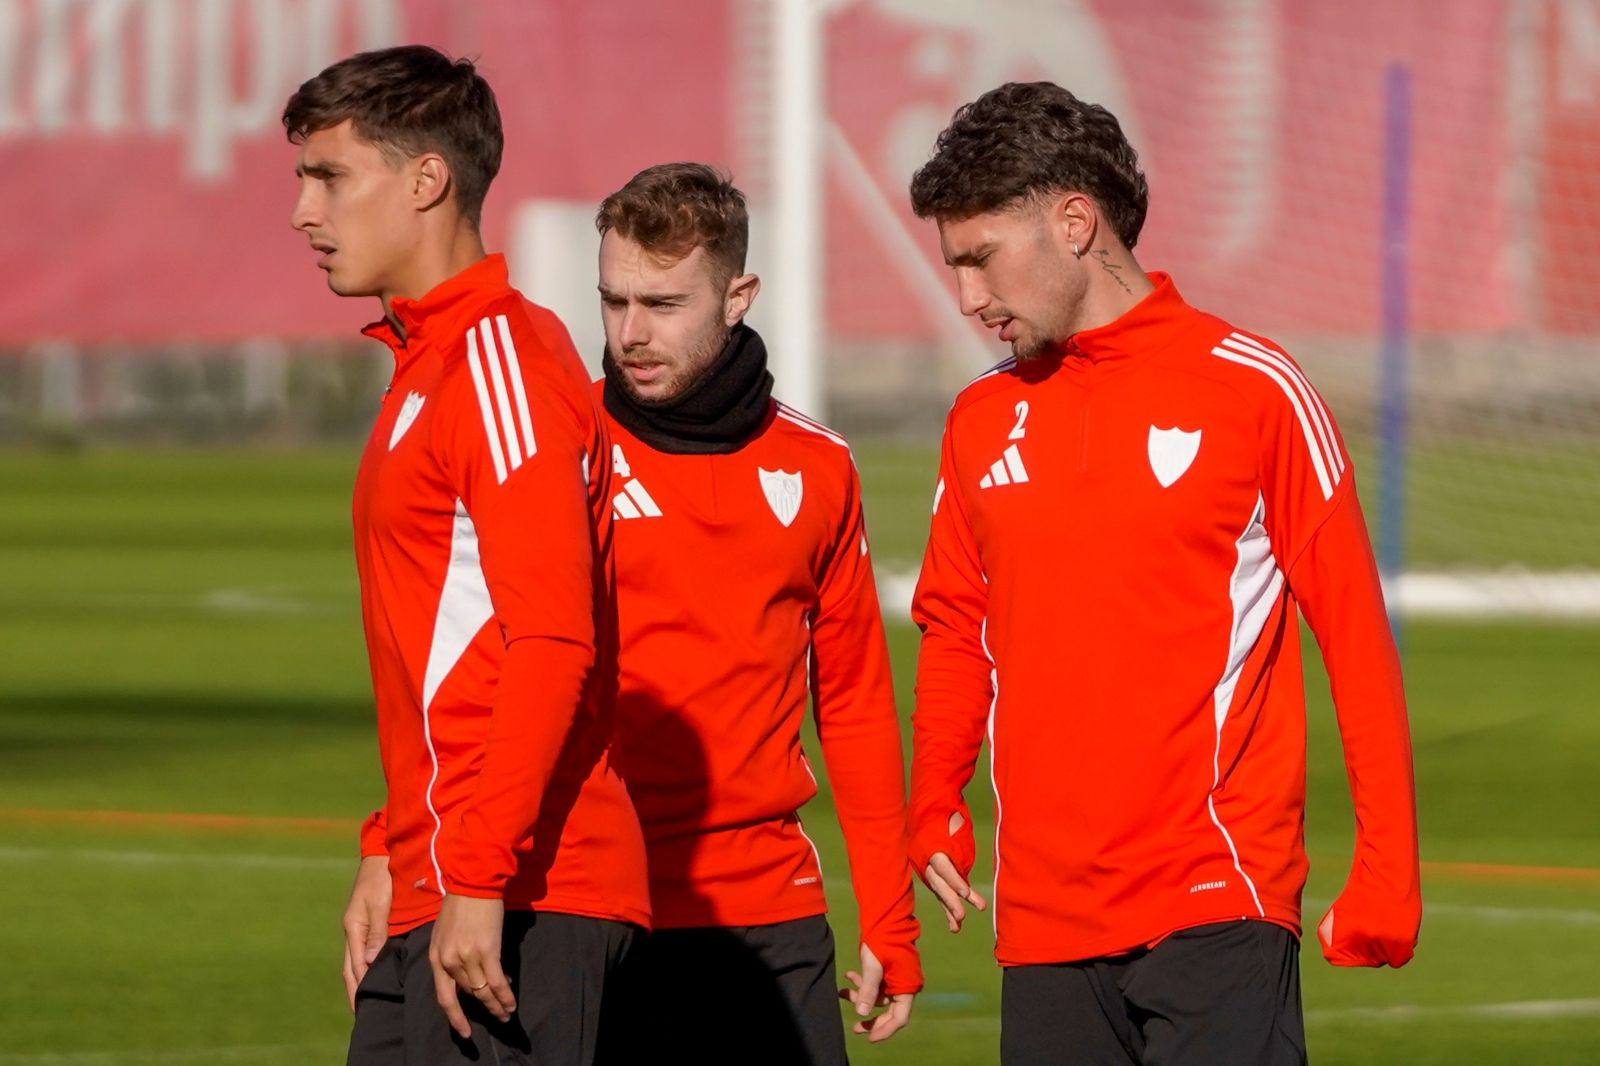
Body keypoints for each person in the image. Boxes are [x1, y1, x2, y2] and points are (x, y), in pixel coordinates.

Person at [905, 82, 1421, 1065]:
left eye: (979, 258)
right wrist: (933, 795)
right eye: (953, 264)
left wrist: (1388, 870)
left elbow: (1354, 637)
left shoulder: (1253, 389)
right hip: (1041, 920)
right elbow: (954, 621)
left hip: (1217, 896)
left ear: (1072, 222)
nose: (967, 296)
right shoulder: (979, 418)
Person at [283, 45, 648, 1066]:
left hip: (529, 888)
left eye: (329, 176)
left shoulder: (501, 362)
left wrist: (478, 877)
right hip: (439, 876)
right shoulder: (426, 367)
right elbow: (438, 648)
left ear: (426, 180)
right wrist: (385, 846)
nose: (305, 212)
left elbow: (550, 639)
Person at [588, 163, 921, 1065]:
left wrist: (890, 915)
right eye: (613, 302)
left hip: (772, 915)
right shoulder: (562, 455)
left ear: (739, 296)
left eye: (662, 304)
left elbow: (851, 700)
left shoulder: (819, 466)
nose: (630, 333)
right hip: (594, 908)